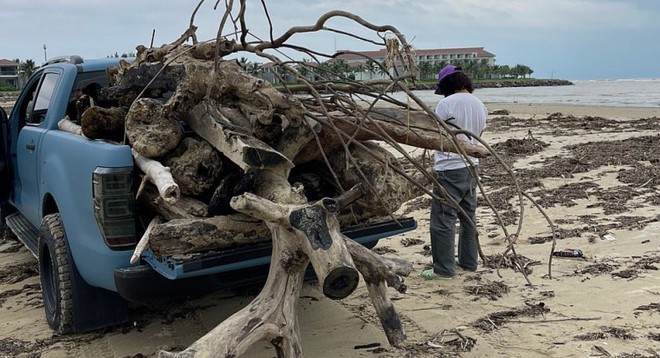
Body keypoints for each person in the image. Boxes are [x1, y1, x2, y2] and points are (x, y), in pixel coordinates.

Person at [421, 65, 488, 280]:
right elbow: (477, 134)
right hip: (472, 165)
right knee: (468, 216)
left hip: (449, 167)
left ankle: (443, 269)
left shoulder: (445, 104)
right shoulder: (480, 105)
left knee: (443, 218)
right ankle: (469, 262)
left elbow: (436, 135)